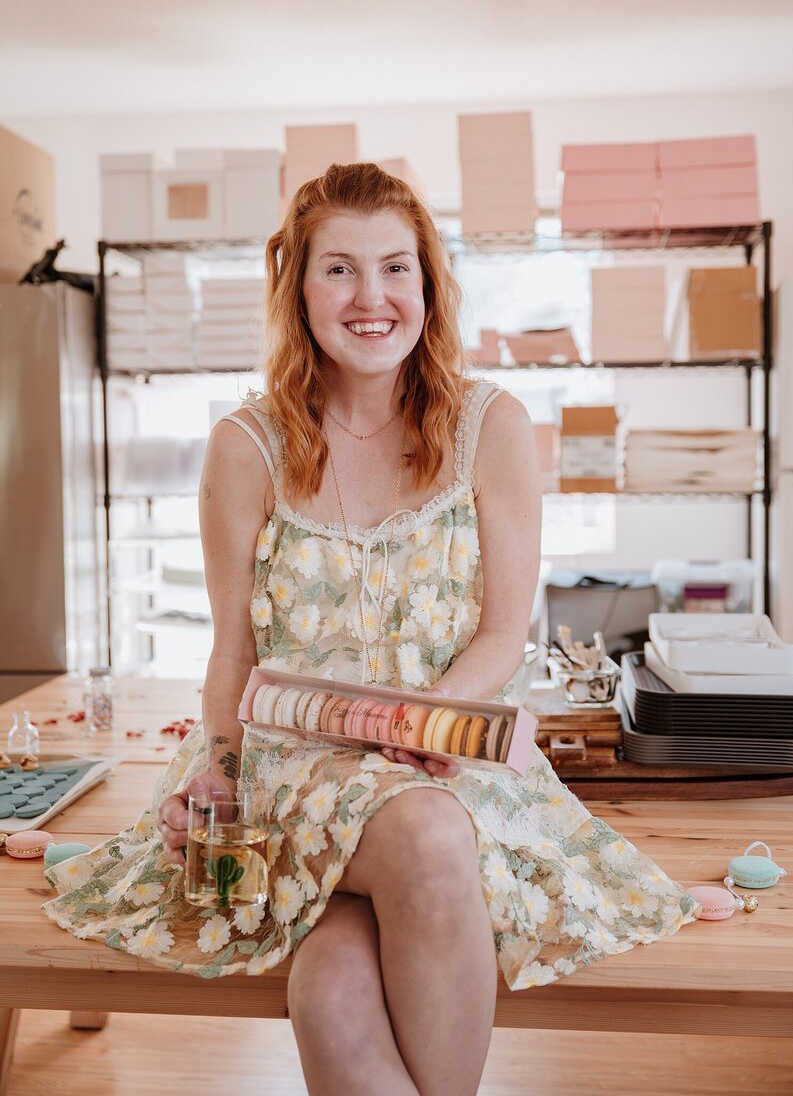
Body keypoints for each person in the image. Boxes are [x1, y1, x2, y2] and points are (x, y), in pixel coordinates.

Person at [43, 163, 702, 1096]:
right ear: (298, 287)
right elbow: (233, 651)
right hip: (296, 767)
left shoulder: (492, 426)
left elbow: (502, 636)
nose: (372, 298)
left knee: (333, 989)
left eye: (396, 268)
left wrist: (415, 726)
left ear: (427, 287)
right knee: (426, 844)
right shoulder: (248, 446)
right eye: (339, 269)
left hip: (450, 749)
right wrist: (214, 775)